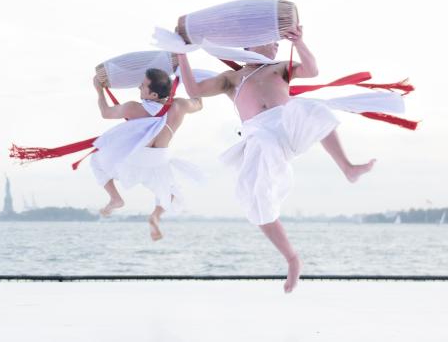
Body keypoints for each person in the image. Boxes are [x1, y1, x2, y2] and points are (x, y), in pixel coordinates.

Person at [176, 25, 374, 292]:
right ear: (251, 44)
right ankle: (292, 258)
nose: (276, 45)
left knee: (314, 108)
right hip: (260, 135)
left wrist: (300, 43)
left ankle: (347, 167)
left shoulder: (279, 67)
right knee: (256, 199)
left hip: (286, 127)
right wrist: (181, 53)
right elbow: (194, 89)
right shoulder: (233, 78)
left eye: (278, 43)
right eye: (271, 41)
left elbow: (312, 70)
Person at [92, 68, 202, 241]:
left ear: (154, 95)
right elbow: (199, 103)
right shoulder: (180, 106)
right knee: (171, 193)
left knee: (96, 159)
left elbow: (106, 113)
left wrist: (99, 90)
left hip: (134, 157)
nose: (139, 88)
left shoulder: (133, 108)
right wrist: (188, 77)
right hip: (158, 159)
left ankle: (115, 198)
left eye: (143, 86)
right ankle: (156, 217)